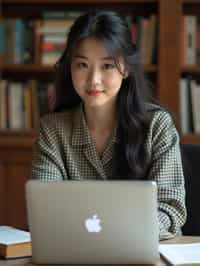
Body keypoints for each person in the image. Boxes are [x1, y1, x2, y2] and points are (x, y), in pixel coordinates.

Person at [31, 10, 186, 240]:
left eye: (107, 66)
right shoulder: (52, 130)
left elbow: (170, 208)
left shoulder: (157, 126)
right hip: (76, 252)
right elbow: (44, 210)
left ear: (127, 68)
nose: (94, 79)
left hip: (147, 251)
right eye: (82, 65)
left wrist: (122, 234)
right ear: (69, 68)